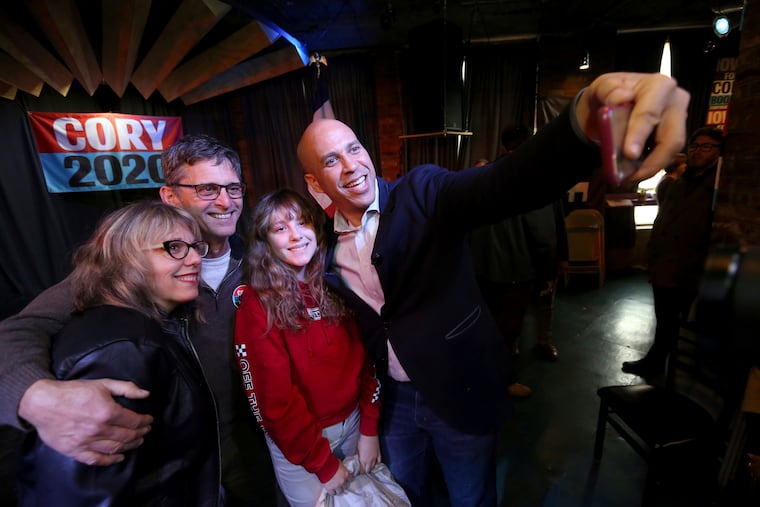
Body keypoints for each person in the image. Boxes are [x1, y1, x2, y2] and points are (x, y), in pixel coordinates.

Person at [296, 72, 690, 505]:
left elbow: (504, 184)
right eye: (331, 160)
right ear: (315, 183)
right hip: (394, 405)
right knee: (408, 496)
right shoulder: (326, 247)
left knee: (471, 499)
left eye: (354, 148)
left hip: (459, 394)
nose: (352, 165)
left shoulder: (421, 193)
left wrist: (582, 123)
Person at [0, 135, 276, 506]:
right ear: (170, 196)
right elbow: (17, 330)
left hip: (256, 452)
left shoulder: (262, 262)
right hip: (175, 465)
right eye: (208, 189)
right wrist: (35, 397)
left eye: (232, 187)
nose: (226, 202)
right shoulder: (124, 274)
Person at [16, 200, 221, 505]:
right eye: (175, 248)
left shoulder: (147, 327)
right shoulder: (124, 348)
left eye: (194, 247)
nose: (194, 259)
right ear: (127, 260)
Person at [233, 189, 381, 506]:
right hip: (301, 443)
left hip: (354, 423)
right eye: (280, 228)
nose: (296, 236)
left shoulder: (337, 282)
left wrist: (369, 427)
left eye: (302, 223)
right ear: (266, 241)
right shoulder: (257, 303)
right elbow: (275, 402)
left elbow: (371, 358)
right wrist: (322, 464)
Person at [622, 127, 723, 377]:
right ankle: (657, 362)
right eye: (695, 145)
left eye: (706, 146)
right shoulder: (681, 182)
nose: (698, 151)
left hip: (691, 268)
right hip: (666, 264)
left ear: (720, 152)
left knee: (683, 323)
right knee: (665, 319)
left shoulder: (717, 187)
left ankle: (676, 370)